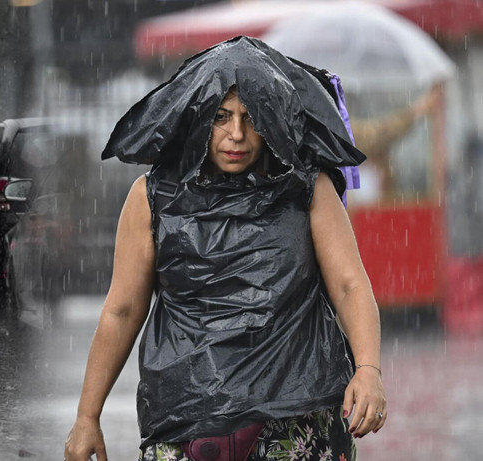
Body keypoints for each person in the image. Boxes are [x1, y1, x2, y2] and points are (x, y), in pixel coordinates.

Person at [64, 37, 385, 461]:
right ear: (197, 117)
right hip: (187, 420)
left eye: (252, 118)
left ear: (271, 120)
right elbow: (121, 311)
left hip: (296, 417)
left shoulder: (308, 189)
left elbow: (349, 285)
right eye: (221, 117)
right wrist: (87, 416)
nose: (237, 134)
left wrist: (368, 369)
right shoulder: (152, 198)